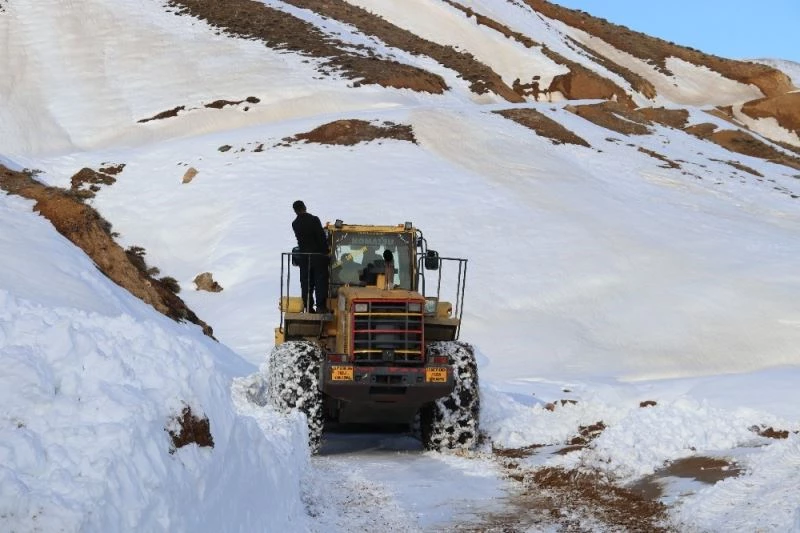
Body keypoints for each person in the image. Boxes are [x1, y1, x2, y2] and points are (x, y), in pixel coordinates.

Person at [291, 200, 329, 313]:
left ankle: (308, 307)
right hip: (318, 257)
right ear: (305, 207)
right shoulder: (314, 220)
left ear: (295, 211)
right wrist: (326, 251)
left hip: (304, 258)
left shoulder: (295, 224)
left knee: (306, 283)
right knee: (320, 282)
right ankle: (321, 307)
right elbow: (321, 238)